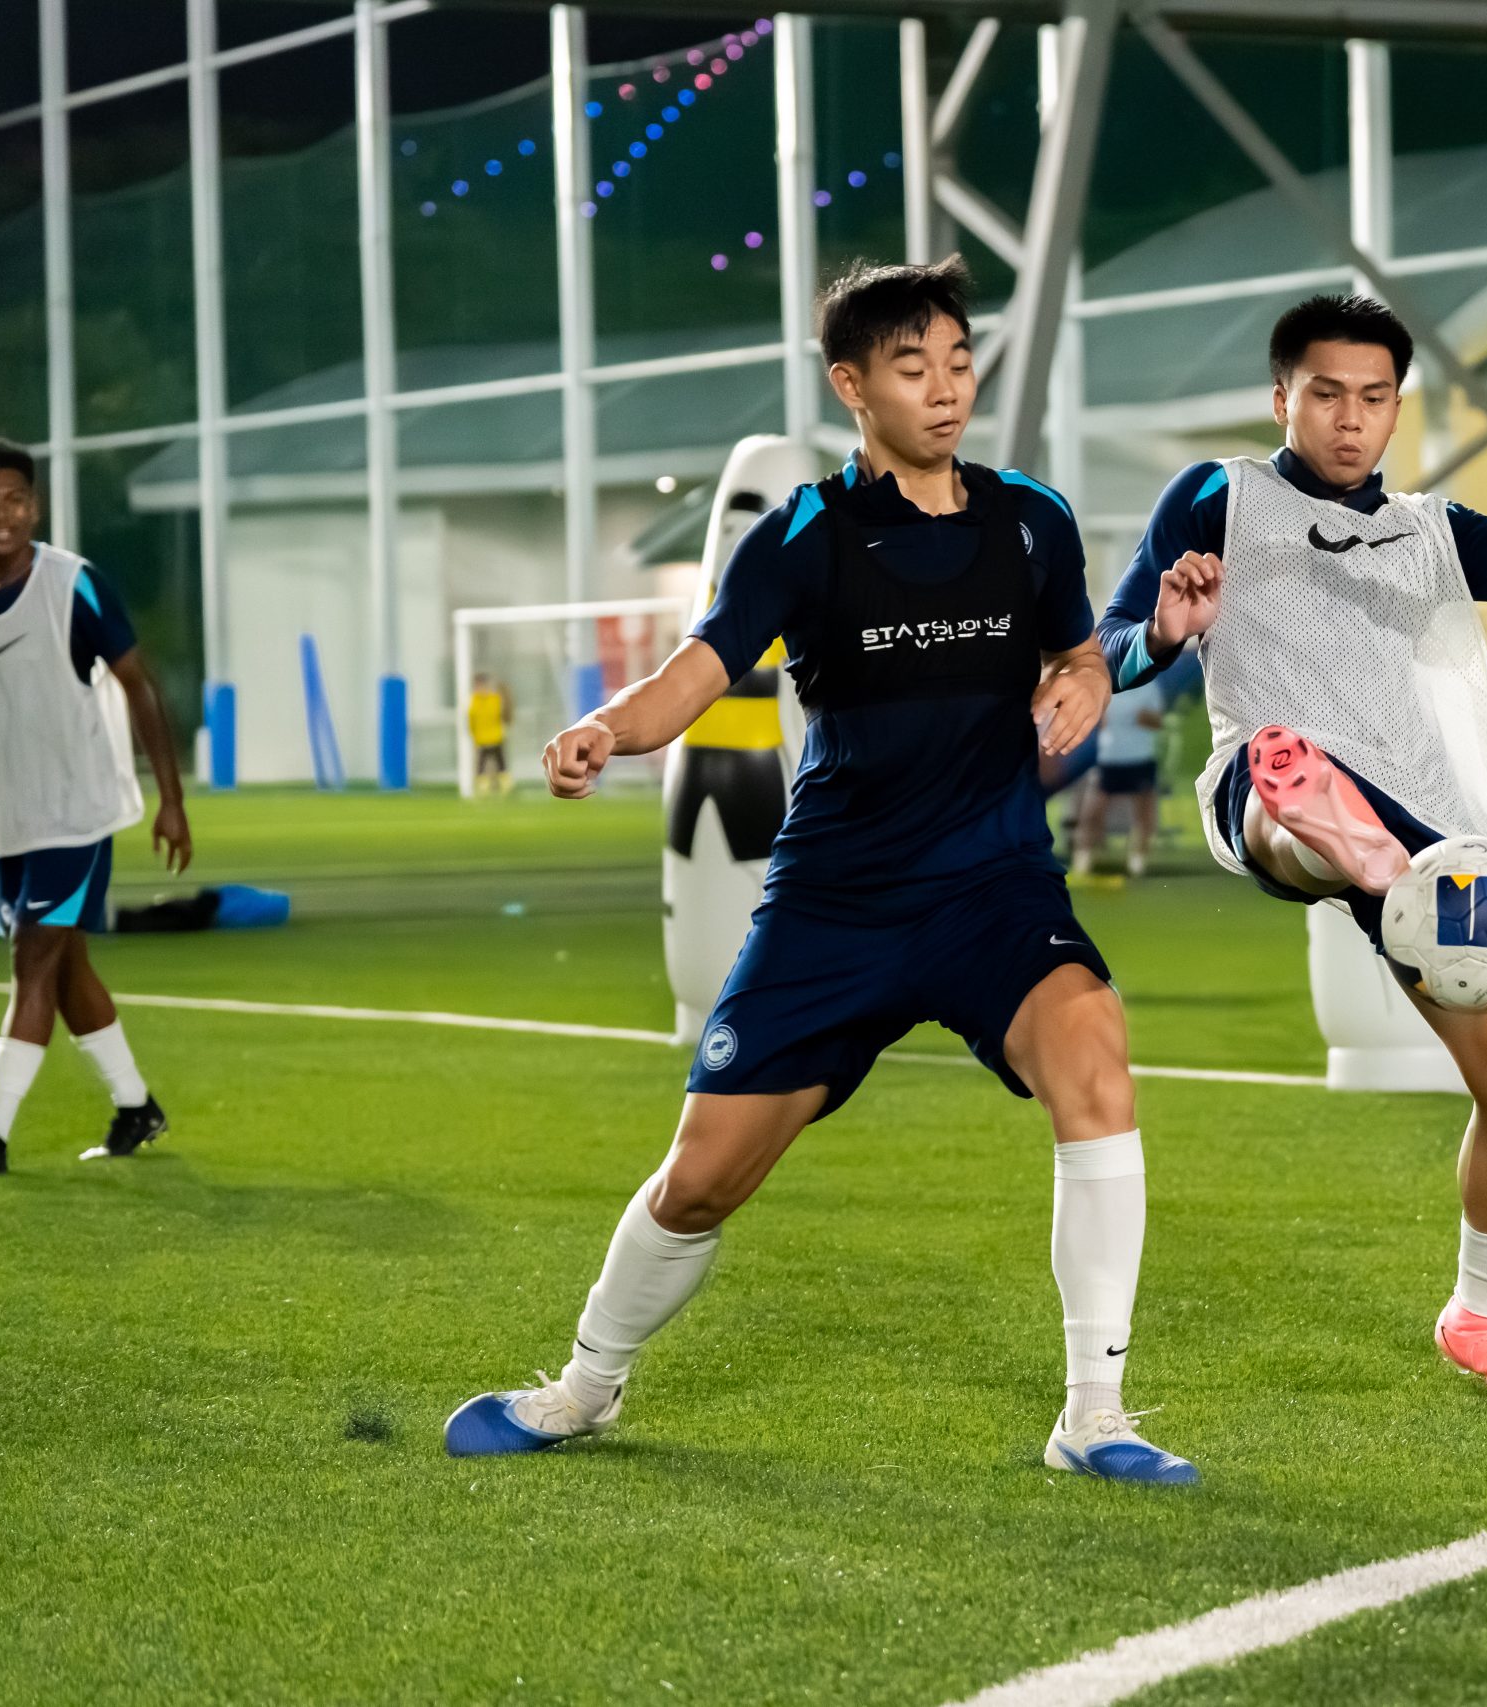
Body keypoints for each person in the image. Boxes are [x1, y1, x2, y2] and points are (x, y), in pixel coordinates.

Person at [445, 258, 1194, 1483]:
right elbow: (697, 672)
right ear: (852, 386)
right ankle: (583, 1390)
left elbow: (1078, 652)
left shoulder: (1032, 521)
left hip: (991, 888)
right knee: (700, 1182)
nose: (945, 389)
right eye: (913, 368)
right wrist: (604, 730)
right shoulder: (801, 535)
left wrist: (1094, 672)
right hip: (835, 905)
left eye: (958, 362)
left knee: (1096, 1063)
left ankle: (1093, 1416)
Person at [1099, 293, 1487, 1405]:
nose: (1350, 420)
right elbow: (1112, 640)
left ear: (1395, 407)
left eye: (1372, 398)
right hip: (1263, 786)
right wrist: (1165, 634)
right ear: (1282, 398)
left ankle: (1483, 1316)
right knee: (1290, 782)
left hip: (1424, 822)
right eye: (1325, 395)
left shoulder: (1428, 529)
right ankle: (1343, 842)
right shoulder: (1222, 497)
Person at [0, 438, 192, 1176]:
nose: (3, 513)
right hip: (8, 816)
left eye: (16, 498)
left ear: (37, 505)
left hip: (76, 810)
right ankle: (135, 1105)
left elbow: (140, 683)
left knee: (31, 954)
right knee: (62, 968)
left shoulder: (74, 584)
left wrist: (171, 799)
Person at [1072, 677, 1164, 878]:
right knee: (1092, 814)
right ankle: (1083, 860)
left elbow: (1158, 721)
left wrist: (1143, 718)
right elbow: (1092, 719)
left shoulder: (1148, 686)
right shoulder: (1105, 685)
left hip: (1140, 758)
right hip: (1109, 759)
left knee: (1144, 815)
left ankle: (1137, 862)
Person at [467, 672, 513, 795]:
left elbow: (503, 716)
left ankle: (506, 790)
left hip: (496, 737)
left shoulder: (494, 699)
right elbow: (472, 722)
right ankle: (483, 791)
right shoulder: (474, 701)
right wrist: (474, 737)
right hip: (482, 739)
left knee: (501, 765)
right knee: (481, 767)